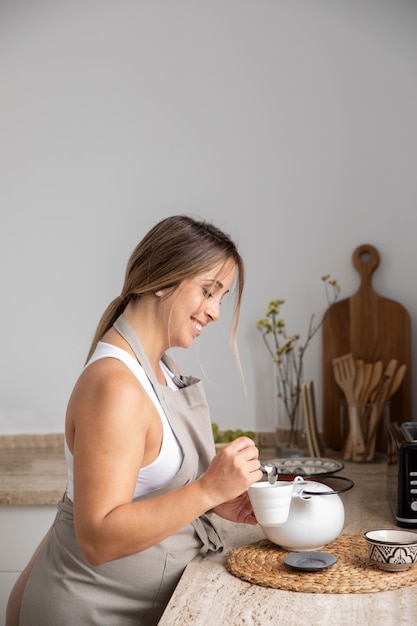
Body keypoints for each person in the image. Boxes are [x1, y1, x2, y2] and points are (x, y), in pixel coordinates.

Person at [6, 214, 262, 626]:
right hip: (92, 612)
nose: (215, 311)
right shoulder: (116, 386)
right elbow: (98, 537)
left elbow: (143, 493)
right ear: (162, 281)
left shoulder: (159, 368)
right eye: (208, 292)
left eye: (221, 297)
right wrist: (206, 490)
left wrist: (214, 501)